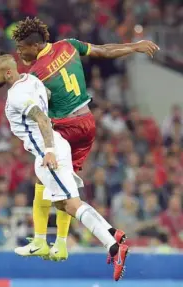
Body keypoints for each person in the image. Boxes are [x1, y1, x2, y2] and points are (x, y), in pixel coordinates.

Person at [11, 17, 159, 261]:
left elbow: (40, 112)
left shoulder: (35, 74)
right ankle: (60, 244)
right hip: (87, 124)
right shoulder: (69, 45)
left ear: (35, 46)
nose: (19, 52)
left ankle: (43, 240)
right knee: (64, 186)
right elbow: (103, 50)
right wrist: (134, 46)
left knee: (48, 179)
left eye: (21, 47)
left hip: (65, 128)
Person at [0, 52, 128, 281]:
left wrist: (49, 151)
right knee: (51, 194)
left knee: (69, 204)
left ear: (9, 73)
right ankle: (46, 240)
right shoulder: (32, 80)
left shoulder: (17, 96)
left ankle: (112, 244)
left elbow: (42, 119)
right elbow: (50, 96)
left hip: (48, 151)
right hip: (51, 147)